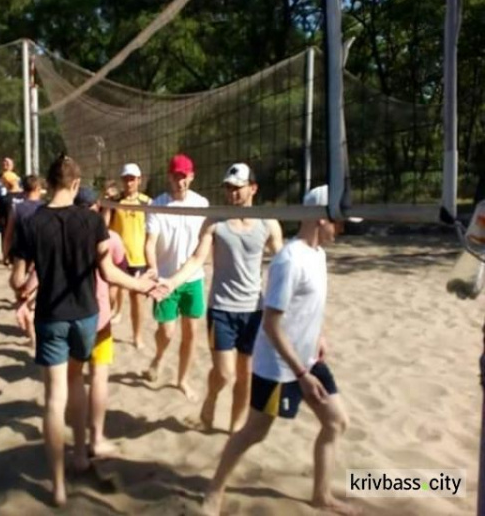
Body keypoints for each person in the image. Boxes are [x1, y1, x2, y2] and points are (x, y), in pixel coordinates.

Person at [201, 185, 359, 516]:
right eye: (339, 222)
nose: (342, 228)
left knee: (336, 422)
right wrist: (301, 374)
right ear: (319, 218)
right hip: (278, 365)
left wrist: (319, 335)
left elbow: (310, 306)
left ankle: (321, 495)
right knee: (254, 432)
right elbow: (271, 324)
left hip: (308, 359)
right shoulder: (290, 260)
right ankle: (214, 492)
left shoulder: (319, 254)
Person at [9, 154, 156, 507]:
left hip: (51, 317)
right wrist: (142, 286)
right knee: (78, 381)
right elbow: (109, 273)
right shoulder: (91, 223)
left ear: (49, 183)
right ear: (76, 185)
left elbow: (18, 279)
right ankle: (79, 455)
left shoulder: (32, 221)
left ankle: (58, 487)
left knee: (53, 399)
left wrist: (22, 294)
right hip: (87, 317)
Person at [160, 163, 283, 432]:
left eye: (237, 188)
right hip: (221, 310)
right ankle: (212, 397)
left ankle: (234, 429)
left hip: (254, 310)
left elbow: (282, 263)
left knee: (246, 375)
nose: (232, 193)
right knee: (224, 373)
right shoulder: (215, 220)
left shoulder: (268, 222)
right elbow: (196, 259)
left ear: (253, 188)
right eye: (228, 188)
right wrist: (172, 282)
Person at [144, 154, 209, 400]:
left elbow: (206, 241)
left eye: (184, 176)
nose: (180, 181)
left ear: (191, 176)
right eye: (176, 176)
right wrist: (152, 268)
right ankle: (158, 357)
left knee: (191, 333)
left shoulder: (202, 204)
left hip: (192, 278)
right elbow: (150, 243)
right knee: (168, 333)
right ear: (169, 177)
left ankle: (182, 380)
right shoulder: (157, 204)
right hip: (164, 279)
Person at [74, 186, 128, 457]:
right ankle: (96, 439)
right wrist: (141, 285)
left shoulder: (60, 232)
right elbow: (119, 269)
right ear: (98, 207)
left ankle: (80, 448)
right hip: (99, 318)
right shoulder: (111, 237)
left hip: (69, 316)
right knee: (98, 378)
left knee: (72, 382)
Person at [103, 163, 152, 348]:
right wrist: (107, 205)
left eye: (132, 179)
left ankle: (137, 336)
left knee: (137, 300)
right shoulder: (114, 201)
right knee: (109, 295)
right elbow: (104, 226)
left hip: (138, 259)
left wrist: (151, 260)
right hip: (117, 258)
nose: (129, 182)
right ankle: (105, 328)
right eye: (126, 179)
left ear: (139, 180)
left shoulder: (147, 202)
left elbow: (152, 232)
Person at [5, 175, 45, 345]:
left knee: (20, 292)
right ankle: (33, 321)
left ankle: (31, 335)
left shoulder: (17, 208)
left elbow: (8, 235)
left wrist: (5, 255)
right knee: (35, 295)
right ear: (37, 189)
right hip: (41, 255)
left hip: (21, 255)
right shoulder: (46, 208)